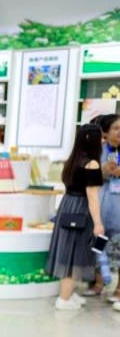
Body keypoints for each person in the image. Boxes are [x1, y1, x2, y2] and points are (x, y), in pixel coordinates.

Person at [46, 123, 105, 311]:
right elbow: (92, 196)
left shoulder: (72, 160)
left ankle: (69, 294)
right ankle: (64, 299)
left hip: (68, 206)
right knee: (75, 254)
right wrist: (98, 223)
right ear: (91, 140)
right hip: (81, 210)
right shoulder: (92, 164)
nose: (102, 142)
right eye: (100, 138)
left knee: (69, 251)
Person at [83, 114, 120, 304]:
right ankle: (98, 283)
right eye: (116, 128)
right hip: (102, 207)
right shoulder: (98, 152)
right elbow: (90, 177)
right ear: (105, 132)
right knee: (99, 246)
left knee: (119, 248)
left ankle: (119, 290)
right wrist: (104, 170)